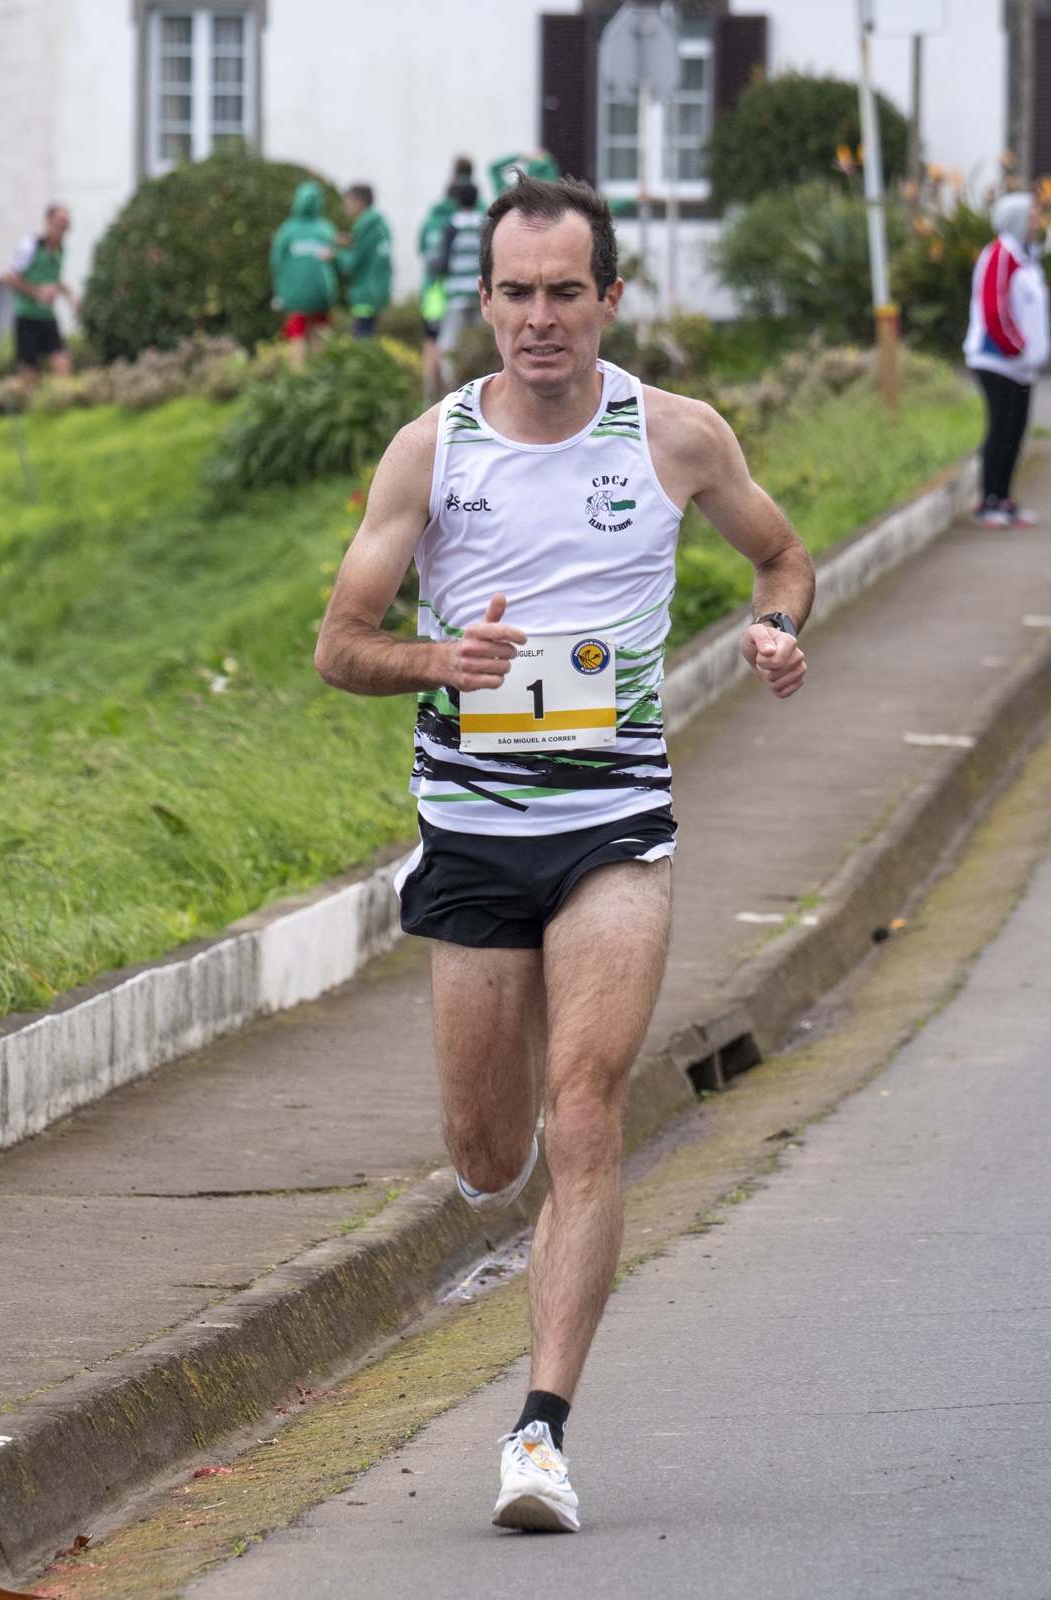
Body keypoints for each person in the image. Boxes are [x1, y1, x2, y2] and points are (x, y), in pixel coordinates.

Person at [314, 175, 813, 1533]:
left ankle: (539, 1436)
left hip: (615, 828)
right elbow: (341, 645)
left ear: (610, 299)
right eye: (519, 294)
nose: (542, 318)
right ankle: (514, 1167)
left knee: (584, 1113)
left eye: (566, 293)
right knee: (489, 1154)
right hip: (475, 836)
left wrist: (775, 628)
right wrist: (441, 660)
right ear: (485, 303)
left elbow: (780, 556)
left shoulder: (677, 435)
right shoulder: (433, 451)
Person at [964, 189, 1049, 527]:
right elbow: (994, 308)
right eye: (1032, 217)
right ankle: (988, 502)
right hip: (998, 362)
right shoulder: (1000, 255)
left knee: (1015, 431)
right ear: (1016, 219)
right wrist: (1016, 347)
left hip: (1021, 367)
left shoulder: (1026, 256)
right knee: (1000, 429)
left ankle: (1004, 499)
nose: (1037, 223)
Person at [418, 158, 474, 402]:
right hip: (477, 293)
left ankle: (447, 394)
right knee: (473, 343)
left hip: (446, 294)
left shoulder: (445, 224)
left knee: (443, 344)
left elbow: (436, 261)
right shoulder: (482, 221)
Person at [3, 204, 78, 387]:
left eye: (66, 226)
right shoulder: (31, 246)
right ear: (48, 223)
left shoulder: (61, 251)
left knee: (63, 366)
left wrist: (68, 294)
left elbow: (55, 280)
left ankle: (61, 401)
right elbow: (9, 277)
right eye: (59, 225)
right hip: (27, 316)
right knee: (29, 375)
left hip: (47, 316)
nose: (63, 231)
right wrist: (37, 292)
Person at [270, 180, 338, 369]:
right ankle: (320, 376)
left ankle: (298, 376)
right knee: (320, 336)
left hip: (295, 295)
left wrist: (279, 290)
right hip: (321, 294)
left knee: (297, 338)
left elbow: (276, 261)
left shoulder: (287, 230)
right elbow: (336, 259)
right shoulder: (325, 229)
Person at [434, 179, 486, 388]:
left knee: (450, 342)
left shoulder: (452, 225)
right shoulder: (483, 225)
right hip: (479, 292)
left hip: (456, 293)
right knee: (478, 342)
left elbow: (443, 263)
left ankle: (452, 385)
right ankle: (479, 381)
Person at [337, 184, 393, 337]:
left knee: (361, 339)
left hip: (366, 291)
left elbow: (354, 262)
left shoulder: (363, 226)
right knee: (368, 335)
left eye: (347, 203)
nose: (344, 208)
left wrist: (335, 255)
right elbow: (370, 251)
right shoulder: (380, 224)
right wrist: (352, 242)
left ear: (359, 203)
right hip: (378, 288)